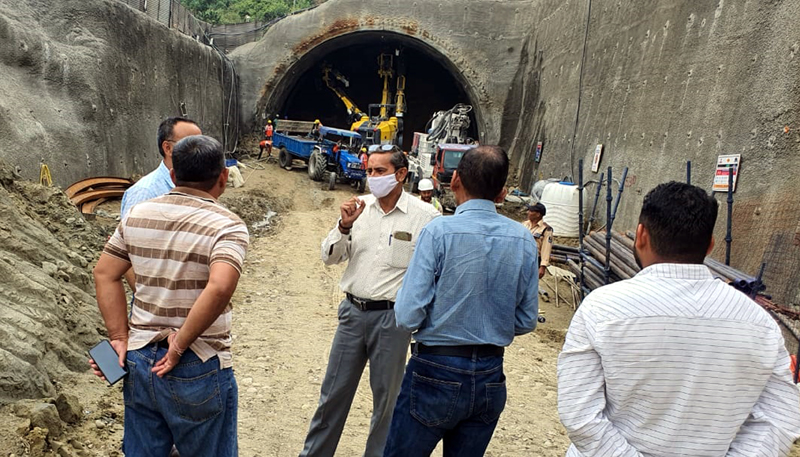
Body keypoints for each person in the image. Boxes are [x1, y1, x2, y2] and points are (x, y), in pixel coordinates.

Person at [557, 181, 800, 456]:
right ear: (710, 245)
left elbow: (579, 413)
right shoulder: (760, 323)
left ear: (640, 235)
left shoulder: (602, 308)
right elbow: (780, 416)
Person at [90, 135, 249, 457]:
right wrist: (178, 346)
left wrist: (119, 337)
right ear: (223, 177)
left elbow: (104, 273)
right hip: (197, 362)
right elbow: (219, 287)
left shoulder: (136, 214)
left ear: (174, 175)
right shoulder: (227, 226)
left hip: (139, 358)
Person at [383, 145, 539, 457]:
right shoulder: (523, 239)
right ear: (502, 193)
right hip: (491, 375)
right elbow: (525, 320)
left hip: (434, 369)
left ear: (455, 180)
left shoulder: (439, 231)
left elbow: (407, 314)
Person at [300, 145, 440, 457]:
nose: (372, 177)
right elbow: (329, 257)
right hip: (352, 314)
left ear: (401, 174)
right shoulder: (358, 208)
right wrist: (344, 226)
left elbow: (432, 274)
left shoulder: (426, 217)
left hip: (393, 321)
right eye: (370, 171)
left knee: (387, 404)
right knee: (332, 396)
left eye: (380, 171)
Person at [119, 117, 202, 291]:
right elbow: (127, 254)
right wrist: (149, 299)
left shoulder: (200, 187)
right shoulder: (145, 193)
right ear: (168, 148)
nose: (200, 151)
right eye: (191, 145)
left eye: (202, 143)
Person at [522, 202, 553, 279]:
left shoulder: (546, 229)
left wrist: (543, 266)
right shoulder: (524, 224)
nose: (528, 212)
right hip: (521, 257)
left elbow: (546, 248)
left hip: (533, 260)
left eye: (531, 211)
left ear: (538, 214)